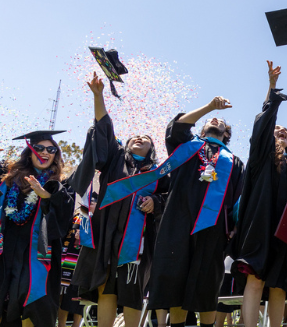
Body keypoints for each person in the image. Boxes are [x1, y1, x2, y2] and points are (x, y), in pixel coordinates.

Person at [131, 95, 245, 327]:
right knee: (175, 281)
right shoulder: (186, 147)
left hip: (213, 229)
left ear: (227, 134)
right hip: (177, 222)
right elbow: (178, 126)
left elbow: (238, 200)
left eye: (222, 121)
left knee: (206, 284)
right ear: (201, 129)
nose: (216, 120)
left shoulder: (234, 161)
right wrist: (209, 106)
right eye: (211, 119)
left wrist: (235, 228)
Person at [67, 72, 166, 327]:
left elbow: (169, 198)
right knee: (106, 286)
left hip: (139, 240)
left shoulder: (159, 172)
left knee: (132, 291)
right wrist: (98, 96)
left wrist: (156, 202)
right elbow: (104, 128)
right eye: (134, 137)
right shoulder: (115, 158)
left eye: (145, 138)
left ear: (152, 148)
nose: (138, 138)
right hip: (108, 232)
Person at [233, 60, 287, 327]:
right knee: (256, 279)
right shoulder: (261, 156)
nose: (281, 132)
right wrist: (272, 89)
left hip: (286, 228)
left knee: (278, 285)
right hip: (261, 223)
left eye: (286, 132)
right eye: (277, 130)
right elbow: (262, 127)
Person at [0, 130, 75, 327]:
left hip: (40, 254)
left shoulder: (60, 183)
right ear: (30, 151)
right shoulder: (10, 181)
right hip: (8, 249)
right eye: (40, 148)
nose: (45, 152)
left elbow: (64, 219)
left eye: (51, 149)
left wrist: (47, 196)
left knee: (35, 301)